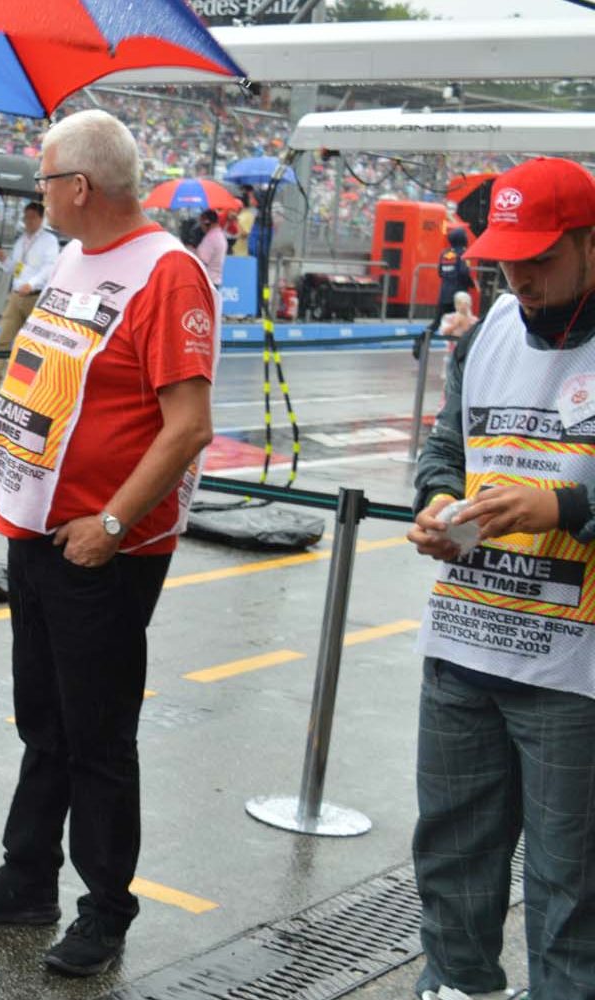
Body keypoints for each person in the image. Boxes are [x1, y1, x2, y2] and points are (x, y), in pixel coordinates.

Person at [0, 108, 216, 978]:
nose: (40, 195)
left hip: (103, 546)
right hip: (37, 529)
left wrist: (109, 525)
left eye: (47, 180)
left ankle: (106, 908)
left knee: (98, 734)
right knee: (43, 720)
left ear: (81, 187)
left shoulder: (167, 275)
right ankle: (28, 875)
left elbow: (188, 427)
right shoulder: (72, 256)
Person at [407, 156, 595, 1000]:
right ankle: (455, 987)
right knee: (452, 857)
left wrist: (562, 505)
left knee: (569, 890)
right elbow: (449, 444)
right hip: (465, 643)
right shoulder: (487, 330)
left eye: (542, 258)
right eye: (506, 259)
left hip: (574, 672)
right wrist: (439, 500)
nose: (520, 277)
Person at [0, 201, 61, 400]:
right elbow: (14, 267)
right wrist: (4, 259)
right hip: (16, 295)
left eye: (31, 217)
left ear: (40, 218)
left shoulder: (49, 241)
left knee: (31, 344)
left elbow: (50, 267)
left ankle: (26, 386)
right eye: (25, 217)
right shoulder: (22, 240)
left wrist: (33, 283)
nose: (27, 221)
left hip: (35, 297)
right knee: (4, 338)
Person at [427, 225, 475, 343]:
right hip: (459, 297)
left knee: (436, 323)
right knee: (464, 322)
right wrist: (471, 283)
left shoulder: (445, 253)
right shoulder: (463, 253)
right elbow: (464, 272)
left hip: (444, 294)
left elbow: (440, 272)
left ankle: (422, 343)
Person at [194, 208, 226, 289]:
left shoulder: (211, 238)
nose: (201, 227)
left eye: (201, 223)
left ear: (207, 222)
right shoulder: (220, 236)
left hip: (208, 282)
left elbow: (201, 260)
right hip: (215, 281)